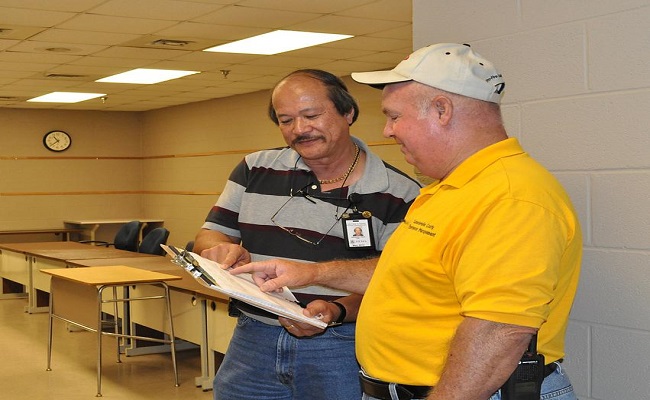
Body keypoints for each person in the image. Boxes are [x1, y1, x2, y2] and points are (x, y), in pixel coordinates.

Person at [231, 43, 583, 400]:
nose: (387, 131)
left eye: (394, 116)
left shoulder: (511, 197)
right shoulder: (448, 189)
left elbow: (498, 332)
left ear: (441, 110)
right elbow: (402, 271)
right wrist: (311, 273)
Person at [193, 68, 421, 400]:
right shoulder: (255, 169)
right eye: (286, 121)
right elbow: (211, 234)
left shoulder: (400, 193)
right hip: (252, 338)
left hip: (341, 344)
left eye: (311, 115)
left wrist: (337, 310)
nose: (300, 129)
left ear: (348, 113)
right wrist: (218, 252)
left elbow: (395, 283)